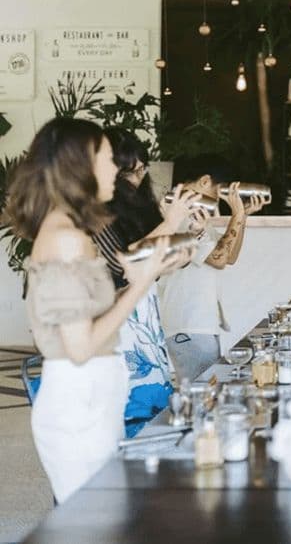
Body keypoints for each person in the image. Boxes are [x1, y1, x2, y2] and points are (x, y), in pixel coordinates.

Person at [4, 117, 180, 503]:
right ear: (80, 166)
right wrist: (142, 281)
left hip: (94, 396)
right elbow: (80, 346)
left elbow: (88, 323)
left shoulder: (68, 230)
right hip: (78, 406)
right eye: (105, 156)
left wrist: (139, 277)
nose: (115, 169)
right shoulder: (67, 239)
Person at [92, 129, 198, 436]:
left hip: (145, 316)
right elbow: (122, 264)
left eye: (142, 168)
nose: (139, 178)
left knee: (154, 405)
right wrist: (170, 223)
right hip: (119, 316)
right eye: (131, 172)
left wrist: (190, 233)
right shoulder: (96, 212)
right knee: (129, 404)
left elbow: (159, 264)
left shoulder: (138, 206)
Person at [159, 154, 267, 383]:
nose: (220, 199)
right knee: (202, 395)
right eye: (221, 191)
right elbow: (218, 258)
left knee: (206, 393)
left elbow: (229, 256)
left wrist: (243, 215)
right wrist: (236, 214)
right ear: (205, 181)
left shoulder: (194, 212)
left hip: (197, 325)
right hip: (188, 326)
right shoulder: (178, 213)